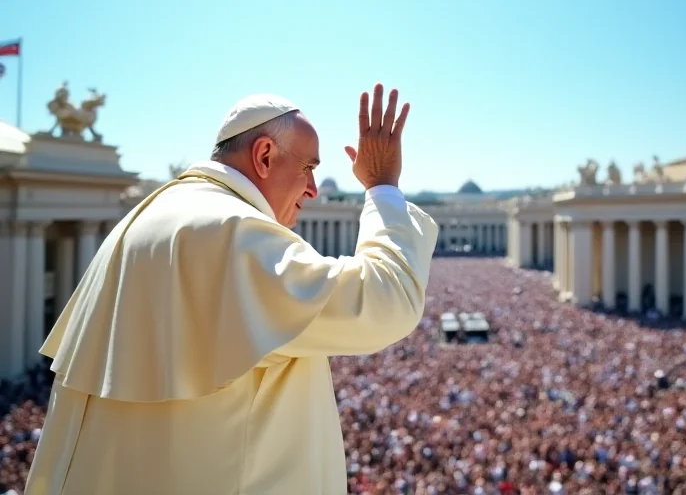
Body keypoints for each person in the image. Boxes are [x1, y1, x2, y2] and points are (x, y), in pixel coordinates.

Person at [25, 83, 439, 495]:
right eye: (308, 168)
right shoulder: (231, 231)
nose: (313, 190)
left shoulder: (139, 222)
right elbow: (388, 298)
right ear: (264, 156)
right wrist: (382, 186)